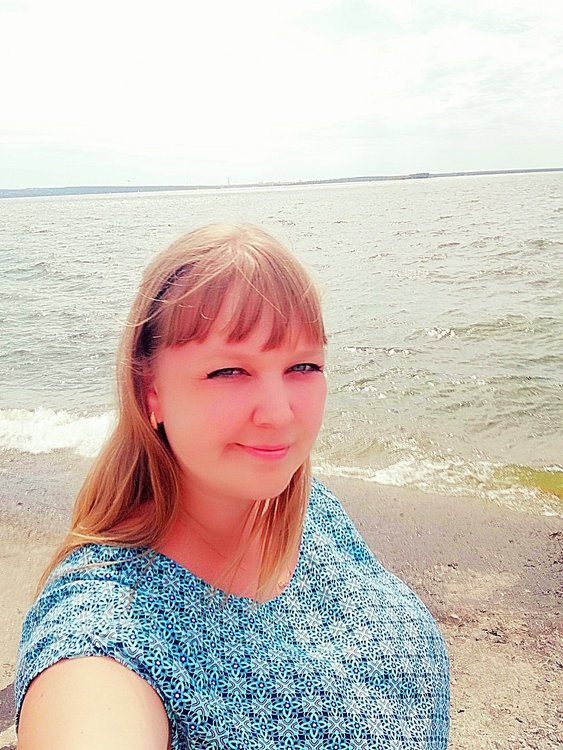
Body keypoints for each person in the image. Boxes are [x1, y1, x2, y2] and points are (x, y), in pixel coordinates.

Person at [16, 224, 449, 749]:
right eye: (229, 371)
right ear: (150, 391)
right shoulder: (104, 635)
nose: (279, 414)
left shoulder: (309, 510)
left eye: (303, 366)